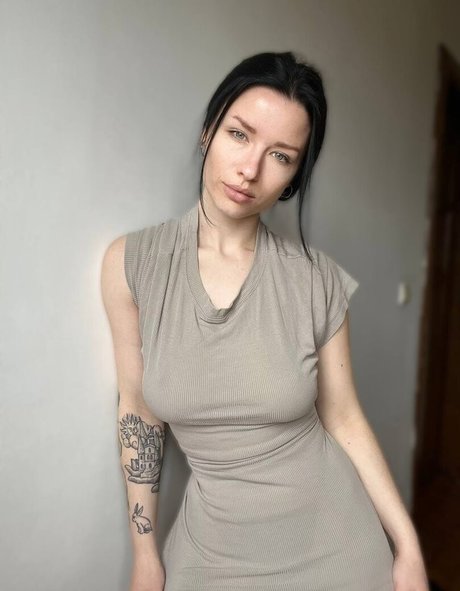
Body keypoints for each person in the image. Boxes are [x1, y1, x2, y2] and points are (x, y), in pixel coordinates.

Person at [101, 51, 429, 591]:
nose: (250, 170)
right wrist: (145, 554)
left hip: (338, 546)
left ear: (295, 177)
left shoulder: (316, 279)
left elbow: (344, 418)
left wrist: (408, 547)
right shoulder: (132, 264)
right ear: (208, 131)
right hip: (211, 554)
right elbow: (137, 411)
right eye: (239, 135)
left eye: (280, 155)